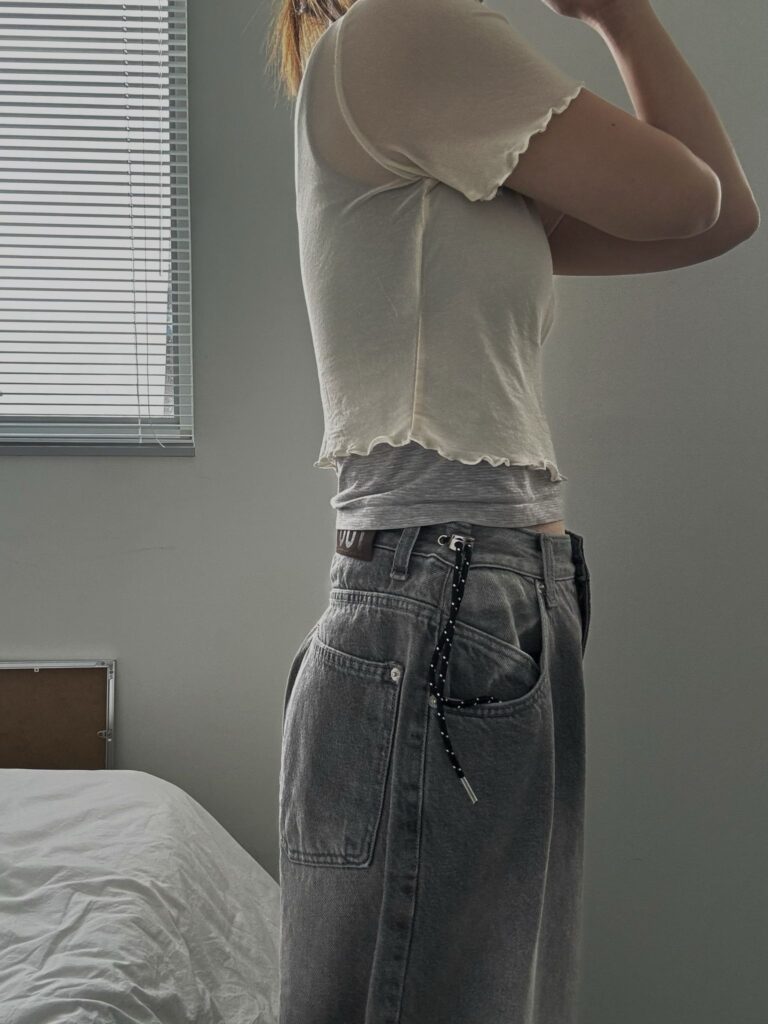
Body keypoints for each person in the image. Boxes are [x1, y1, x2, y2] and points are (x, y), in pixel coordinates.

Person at [267, 0, 759, 1021]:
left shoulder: (439, 107)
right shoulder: (410, 31)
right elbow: (687, 198)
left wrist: (615, 15)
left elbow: (719, 217)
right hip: (446, 603)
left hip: (472, 603)